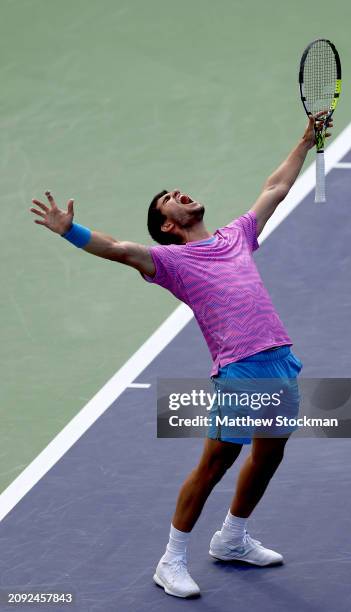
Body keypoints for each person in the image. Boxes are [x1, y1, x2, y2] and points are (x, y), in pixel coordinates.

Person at [30, 113, 332, 599]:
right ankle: (170, 559)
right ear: (169, 225)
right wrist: (71, 231)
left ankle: (232, 538)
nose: (180, 192)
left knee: (270, 453)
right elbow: (119, 248)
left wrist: (305, 139)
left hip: (280, 359)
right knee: (217, 461)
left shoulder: (236, 236)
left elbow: (276, 187)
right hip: (239, 369)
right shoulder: (169, 261)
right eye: (168, 197)